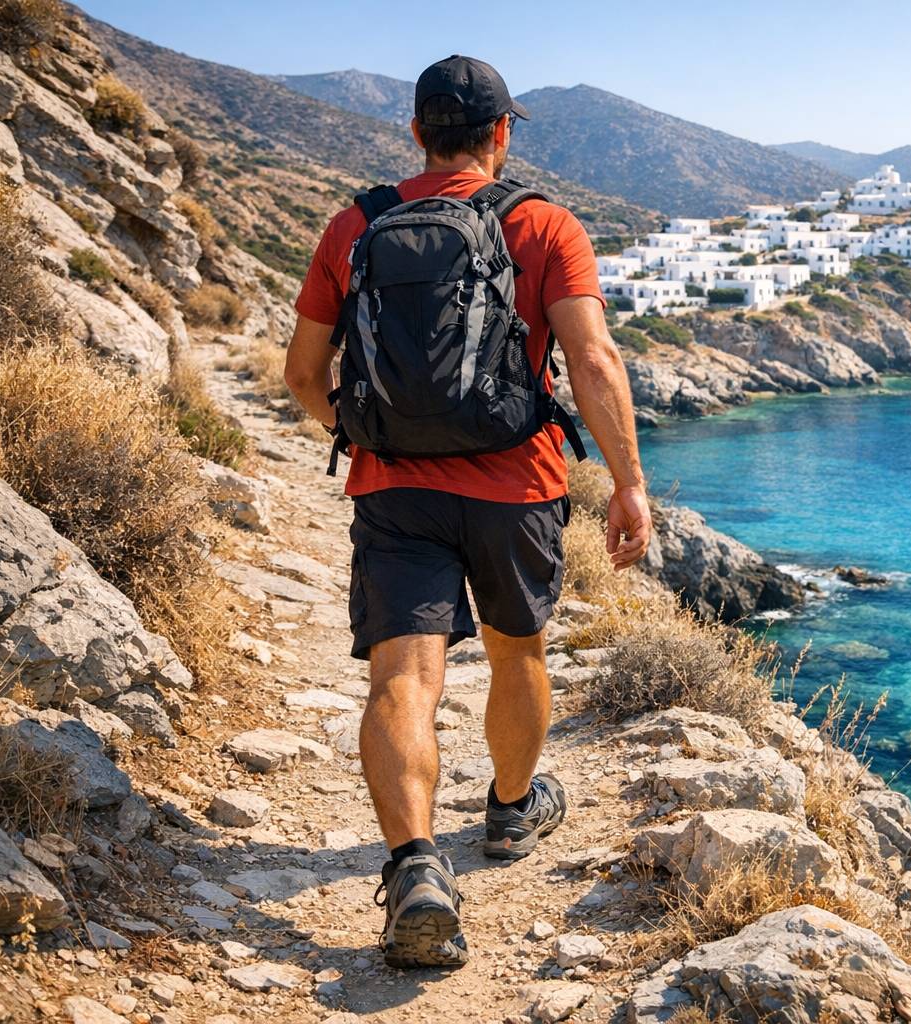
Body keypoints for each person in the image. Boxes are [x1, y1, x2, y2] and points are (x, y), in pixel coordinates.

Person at [283, 54, 651, 969]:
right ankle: (511, 811)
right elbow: (595, 361)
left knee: (402, 681)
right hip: (516, 485)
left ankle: (414, 868)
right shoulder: (542, 223)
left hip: (393, 490)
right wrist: (630, 482)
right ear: (503, 133)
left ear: (415, 132)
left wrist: (368, 430)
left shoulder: (355, 226)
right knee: (515, 652)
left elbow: (300, 376)